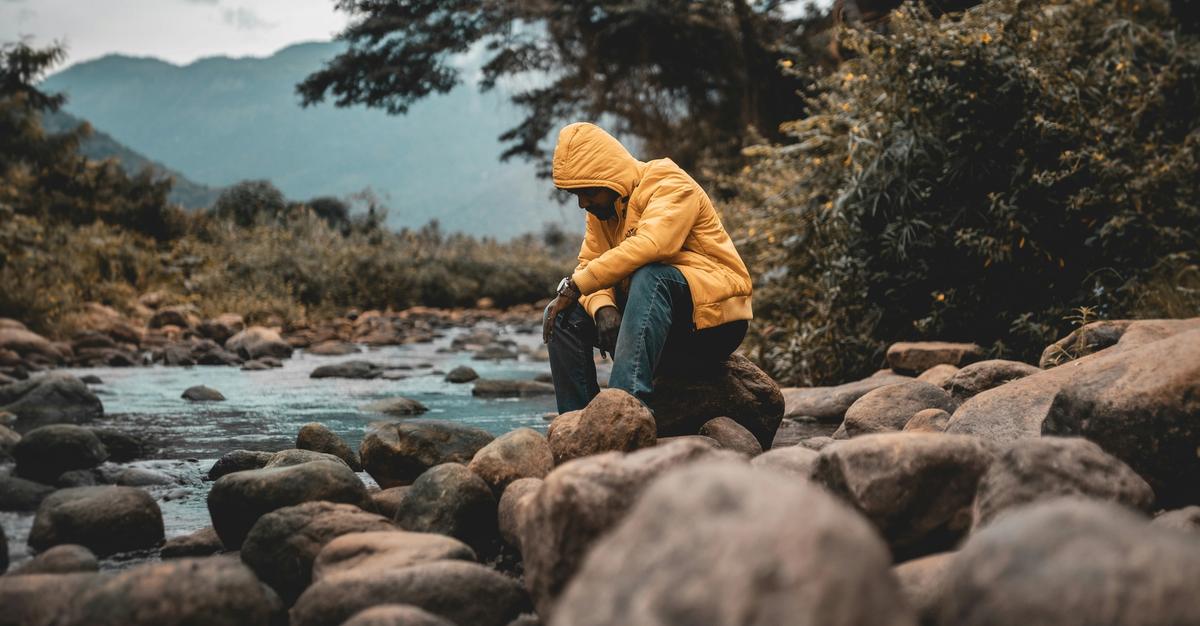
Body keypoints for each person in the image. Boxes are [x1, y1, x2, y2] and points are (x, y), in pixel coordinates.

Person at [542, 122, 753, 414]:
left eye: (588, 192)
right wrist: (603, 307)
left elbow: (654, 244)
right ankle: (579, 422)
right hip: (655, 330)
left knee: (651, 275)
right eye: (577, 194)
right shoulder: (603, 211)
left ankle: (623, 410)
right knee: (562, 315)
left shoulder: (668, 182)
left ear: (609, 177)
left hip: (712, 325)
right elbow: (590, 263)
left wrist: (577, 284)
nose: (583, 203)